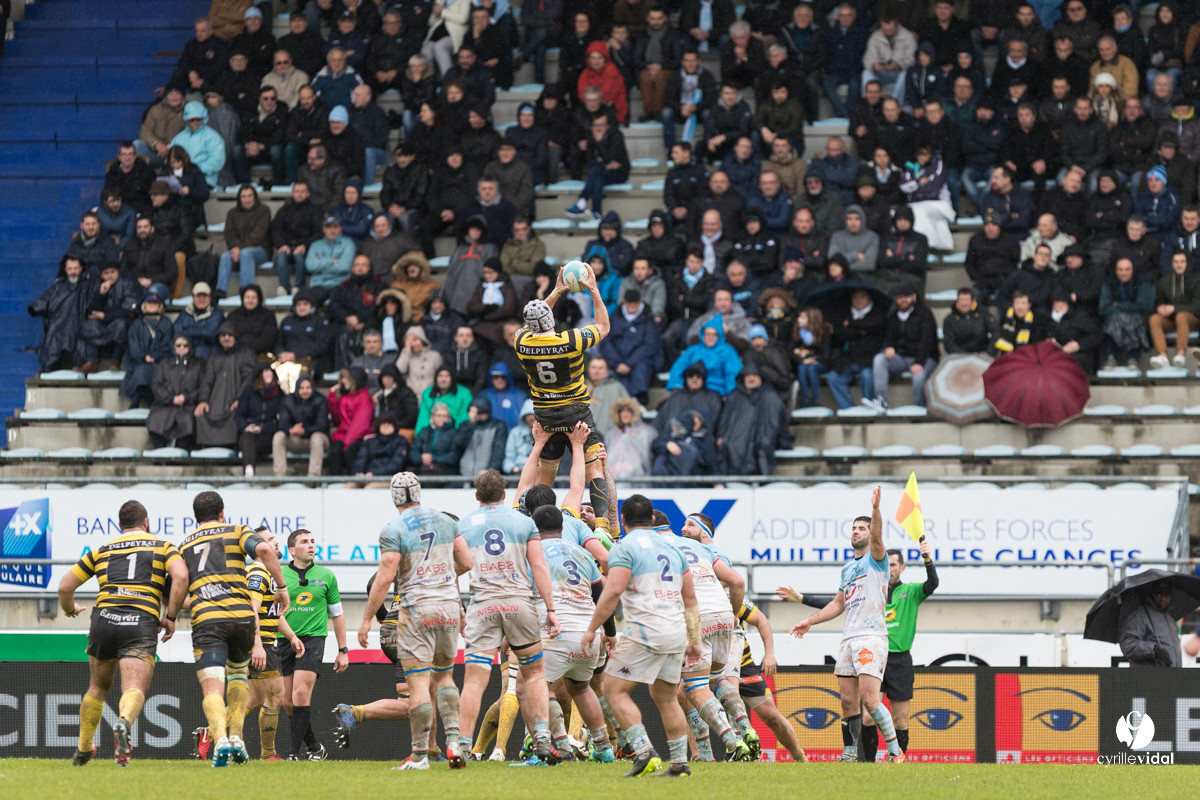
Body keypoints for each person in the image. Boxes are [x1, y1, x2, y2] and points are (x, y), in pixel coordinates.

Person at [58, 499, 187, 767]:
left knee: (97, 687)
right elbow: (181, 577)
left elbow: (64, 587)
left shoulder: (101, 551)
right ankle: (123, 722)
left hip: (104, 620)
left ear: (120, 525)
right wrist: (171, 616)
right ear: (146, 522)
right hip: (140, 621)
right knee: (133, 688)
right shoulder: (163, 547)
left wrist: (70, 609)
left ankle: (83, 748)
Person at [580, 494, 701, 777]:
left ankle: (644, 752)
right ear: (653, 519)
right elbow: (690, 598)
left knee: (612, 689)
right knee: (665, 696)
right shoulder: (674, 549)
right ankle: (679, 763)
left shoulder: (624, 547)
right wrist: (694, 640)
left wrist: (591, 628)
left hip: (647, 628)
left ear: (622, 519)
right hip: (676, 631)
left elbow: (612, 591)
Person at [354, 472, 468, 769]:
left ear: (394, 498)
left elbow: (385, 577)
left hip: (416, 609)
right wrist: (442, 576)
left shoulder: (393, 529)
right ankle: (454, 743)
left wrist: (366, 619)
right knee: (445, 677)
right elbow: (467, 562)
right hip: (448, 607)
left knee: (418, 685)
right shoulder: (446, 521)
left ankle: (419, 756)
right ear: (419, 492)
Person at [790, 486, 905, 762]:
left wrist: (875, 510)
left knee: (870, 700)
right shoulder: (847, 568)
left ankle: (895, 751)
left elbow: (877, 537)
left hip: (871, 637)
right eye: (853, 528)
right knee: (847, 701)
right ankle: (849, 755)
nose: (856, 531)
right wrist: (810, 621)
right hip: (848, 638)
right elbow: (838, 603)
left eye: (861, 528)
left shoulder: (877, 560)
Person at [455, 470, 561, 764]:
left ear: (477, 496)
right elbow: (539, 566)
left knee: (474, 681)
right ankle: (542, 741)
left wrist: (461, 612)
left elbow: (453, 572)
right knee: (534, 673)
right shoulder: (525, 522)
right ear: (504, 495)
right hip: (519, 604)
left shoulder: (462, 525)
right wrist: (551, 609)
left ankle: (462, 747)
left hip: (482, 605)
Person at [180, 490, 288, 766]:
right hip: (242, 620)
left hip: (208, 621)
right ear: (222, 513)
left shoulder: (185, 545)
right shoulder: (238, 531)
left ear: (195, 517)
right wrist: (283, 587)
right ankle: (238, 738)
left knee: (214, 687)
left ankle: (219, 740)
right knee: (242, 680)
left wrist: (169, 615)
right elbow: (263, 551)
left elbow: (179, 587)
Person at [514, 265, 614, 528]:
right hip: (575, 412)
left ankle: (535, 524)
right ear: (551, 321)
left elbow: (533, 322)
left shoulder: (521, 342)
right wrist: (594, 291)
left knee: (545, 472)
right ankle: (603, 527)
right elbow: (603, 327)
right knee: (594, 469)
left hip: (544, 415)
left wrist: (556, 291)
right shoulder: (570, 340)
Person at [277, 529, 348, 761]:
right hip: (284, 640)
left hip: (313, 639)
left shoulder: (326, 576)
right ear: (291, 550)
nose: (311, 545)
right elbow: (272, 611)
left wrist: (343, 650)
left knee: (300, 693)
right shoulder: (279, 576)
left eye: (312, 541)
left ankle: (292, 754)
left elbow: (337, 614)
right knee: (288, 702)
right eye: (304, 542)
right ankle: (315, 747)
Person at [243, 526, 304, 762]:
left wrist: (291, 636)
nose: (275, 543)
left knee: (253, 700)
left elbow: (272, 614)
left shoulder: (268, 573)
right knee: (276, 696)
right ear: (259, 549)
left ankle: (209, 732)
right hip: (262, 644)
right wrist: (258, 645)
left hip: (263, 642)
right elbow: (252, 612)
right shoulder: (258, 572)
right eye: (269, 540)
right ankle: (268, 754)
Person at [870, 285, 938, 410]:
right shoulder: (894, 316)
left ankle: (919, 408)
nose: (903, 300)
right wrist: (887, 347)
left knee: (918, 376)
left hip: (925, 358)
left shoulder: (925, 314)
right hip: (902, 358)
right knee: (879, 359)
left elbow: (927, 341)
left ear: (914, 297)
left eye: (906, 296)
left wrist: (919, 362)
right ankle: (881, 401)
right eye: (900, 297)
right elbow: (887, 337)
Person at [78, 262, 142, 373]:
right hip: (103, 321)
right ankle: (91, 362)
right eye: (106, 273)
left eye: (113, 272)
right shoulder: (96, 284)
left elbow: (129, 311)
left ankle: (115, 362)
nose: (110, 276)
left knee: (120, 324)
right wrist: (101, 294)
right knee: (90, 323)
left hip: (123, 320)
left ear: (118, 271)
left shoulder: (128, 282)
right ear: (101, 275)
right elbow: (89, 310)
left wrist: (106, 316)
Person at [147, 336, 203, 449]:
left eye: (185, 345)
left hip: (188, 406)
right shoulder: (164, 364)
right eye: (178, 345)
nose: (182, 348)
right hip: (165, 405)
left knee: (187, 426)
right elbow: (156, 385)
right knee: (155, 423)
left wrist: (186, 397)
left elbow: (202, 387)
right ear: (173, 347)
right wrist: (171, 398)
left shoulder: (198, 364)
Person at [120, 291, 174, 408]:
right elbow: (133, 346)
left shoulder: (166, 323)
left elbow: (167, 345)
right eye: (149, 303)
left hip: (159, 361)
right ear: (144, 305)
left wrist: (154, 357)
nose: (152, 306)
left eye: (155, 303)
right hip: (139, 361)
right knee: (142, 368)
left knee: (147, 369)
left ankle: (137, 399)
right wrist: (144, 357)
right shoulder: (137, 324)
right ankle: (146, 400)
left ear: (160, 306)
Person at [1100, 258, 1155, 368]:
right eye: (1120, 270)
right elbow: (1103, 308)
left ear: (1133, 270)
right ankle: (1111, 356)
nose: (1123, 273)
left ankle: (1133, 358)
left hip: (1138, 318)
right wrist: (1129, 308)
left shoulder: (1143, 282)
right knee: (1113, 320)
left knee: (1132, 320)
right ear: (1115, 270)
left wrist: (1119, 305)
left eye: (1127, 269)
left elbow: (1144, 306)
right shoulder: (1108, 283)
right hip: (1114, 318)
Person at [1149, 250, 1200, 368]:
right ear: (1172, 264)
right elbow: (1159, 302)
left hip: (1192, 321)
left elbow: (1197, 307)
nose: (1179, 265)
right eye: (1176, 262)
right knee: (1154, 319)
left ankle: (1181, 355)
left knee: (1181, 316)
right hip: (1172, 321)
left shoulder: (1196, 280)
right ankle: (1163, 357)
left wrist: (1174, 308)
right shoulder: (1164, 281)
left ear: (1187, 263)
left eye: (1182, 261)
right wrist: (1161, 308)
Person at [273, 374, 331, 476]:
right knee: (278, 436)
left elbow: (322, 425)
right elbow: (282, 423)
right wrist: (290, 430)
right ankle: (279, 477)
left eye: (308, 388)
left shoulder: (320, 400)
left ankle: (313, 478)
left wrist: (304, 431)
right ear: (297, 389)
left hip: (316, 441)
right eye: (302, 388)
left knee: (317, 438)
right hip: (295, 439)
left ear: (312, 388)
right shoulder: (288, 400)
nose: (305, 391)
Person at [1118, 581, 1183, 667]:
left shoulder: (1170, 620)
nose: (1163, 599)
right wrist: (1153, 649)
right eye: (1159, 595)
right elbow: (1128, 645)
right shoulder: (1140, 615)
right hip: (1148, 674)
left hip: (1172, 674)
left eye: (1167, 595)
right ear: (1152, 595)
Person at [328, 366, 374, 474]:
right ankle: (334, 480)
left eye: (346, 378)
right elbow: (337, 419)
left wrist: (346, 443)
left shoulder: (364, 398)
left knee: (350, 453)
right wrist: (332, 397)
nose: (343, 380)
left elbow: (360, 425)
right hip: (343, 435)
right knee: (335, 451)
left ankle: (352, 480)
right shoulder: (345, 396)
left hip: (359, 437)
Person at [943, 288, 996, 354]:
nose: (964, 303)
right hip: (959, 356)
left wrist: (989, 351)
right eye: (961, 300)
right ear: (957, 301)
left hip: (982, 354)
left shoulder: (983, 313)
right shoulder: (949, 319)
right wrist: (963, 354)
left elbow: (996, 331)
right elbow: (949, 343)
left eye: (967, 300)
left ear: (973, 301)